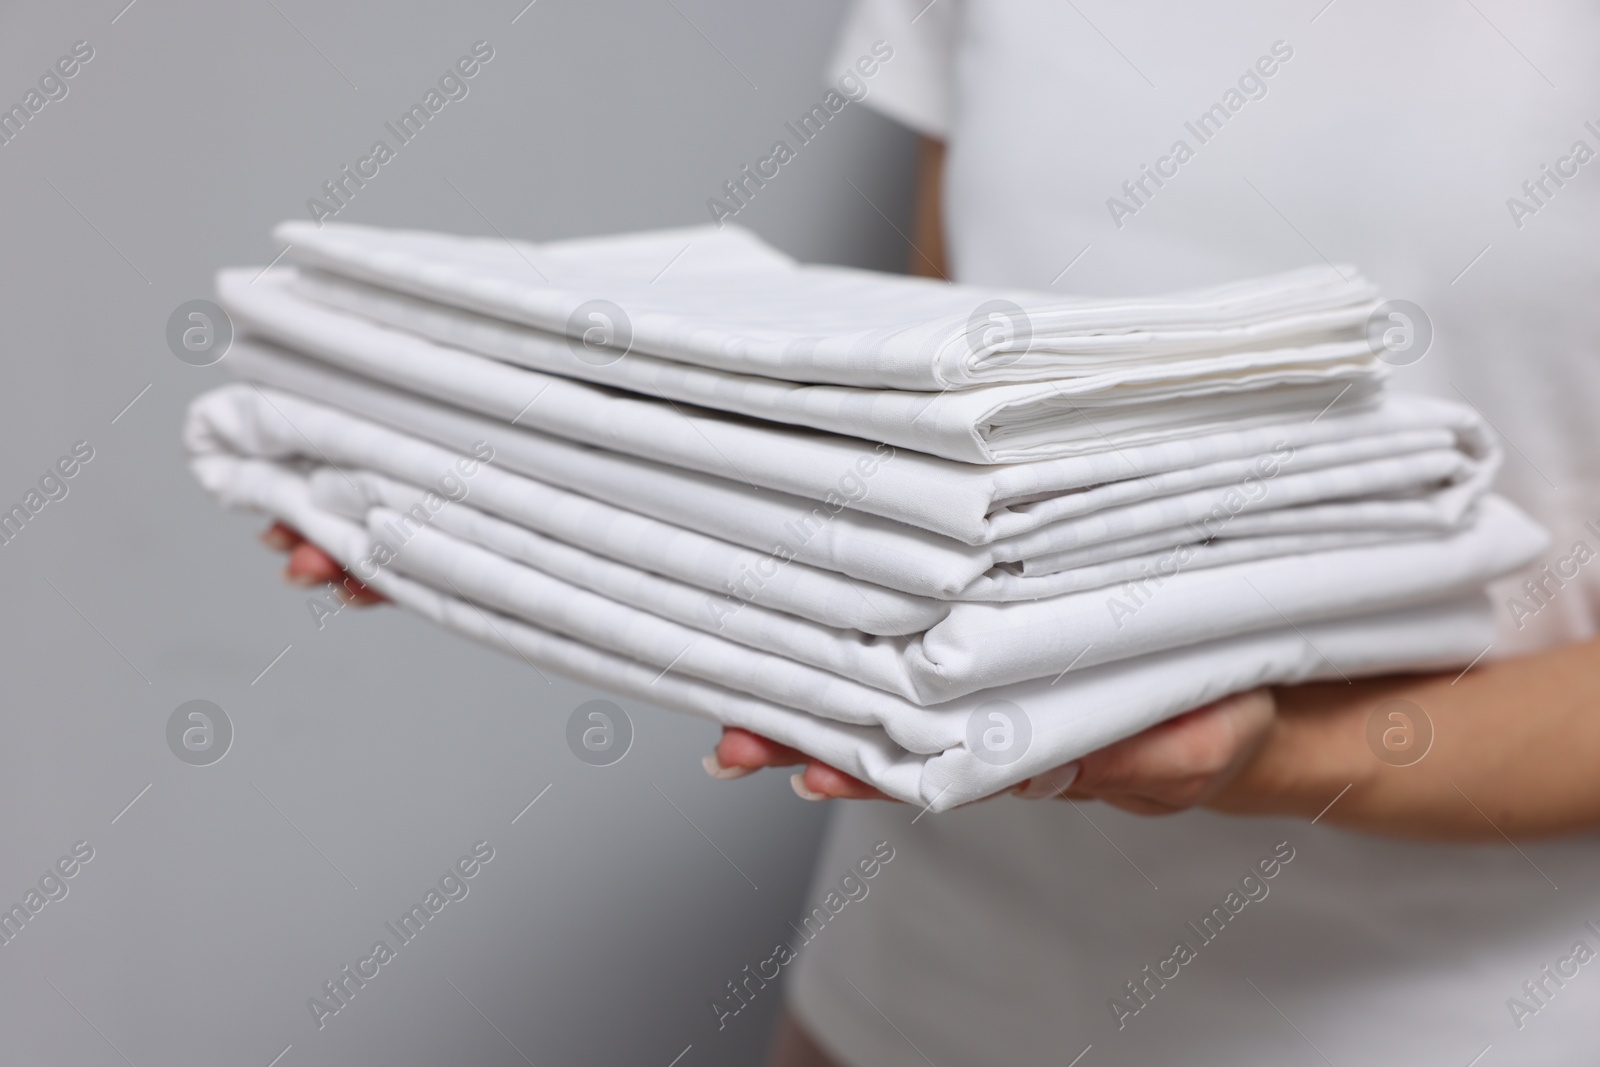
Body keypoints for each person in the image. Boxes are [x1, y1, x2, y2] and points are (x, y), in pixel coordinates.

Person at [269, 2, 1600, 1062]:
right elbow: (925, 410)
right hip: (926, 985)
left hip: (1452, 1012)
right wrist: (538, 509)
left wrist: (1261, 748)